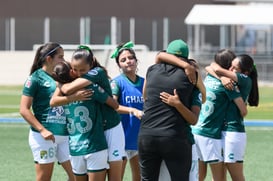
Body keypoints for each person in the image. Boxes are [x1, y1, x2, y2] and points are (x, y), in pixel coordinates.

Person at [55, 45, 126, 181]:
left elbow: (69, 88)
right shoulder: (73, 77)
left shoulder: (97, 72)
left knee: (114, 177)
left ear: (91, 64)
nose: (79, 73)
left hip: (111, 127)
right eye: (75, 69)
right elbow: (53, 101)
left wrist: (59, 83)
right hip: (94, 132)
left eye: (82, 69)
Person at [138, 39, 200, 181]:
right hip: (174, 138)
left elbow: (145, 96)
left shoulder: (152, 70)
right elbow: (194, 119)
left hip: (146, 136)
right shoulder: (191, 75)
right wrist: (178, 104)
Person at [19, 42, 74, 181]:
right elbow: (24, 109)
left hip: (66, 135)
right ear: (49, 59)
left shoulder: (63, 76)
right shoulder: (35, 78)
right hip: (44, 137)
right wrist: (42, 130)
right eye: (60, 57)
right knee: (44, 178)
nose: (64, 60)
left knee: (78, 176)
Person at [191, 49, 248, 181]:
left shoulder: (209, 76)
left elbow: (210, 66)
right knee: (219, 177)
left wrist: (221, 75)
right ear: (229, 66)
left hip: (195, 129)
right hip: (209, 134)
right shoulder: (228, 85)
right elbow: (243, 110)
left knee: (198, 176)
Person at [153, 48, 206, 181]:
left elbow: (194, 119)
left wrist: (178, 104)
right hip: (161, 141)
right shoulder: (158, 82)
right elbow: (159, 55)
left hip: (183, 140)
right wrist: (185, 65)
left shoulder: (194, 92)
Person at [206, 54, 259, 181]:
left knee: (236, 177)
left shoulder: (245, 79)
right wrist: (222, 78)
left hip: (233, 133)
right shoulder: (232, 80)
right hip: (220, 132)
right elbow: (210, 66)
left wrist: (221, 76)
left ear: (245, 72)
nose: (230, 69)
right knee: (219, 176)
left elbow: (215, 68)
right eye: (230, 66)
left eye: (234, 68)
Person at [110, 41, 144, 181]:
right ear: (119, 65)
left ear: (136, 60)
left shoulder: (145, 82)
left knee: (140, 177)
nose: (128, 61)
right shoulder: (117, 83)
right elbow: (113, 105)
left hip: (140, 138)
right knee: (117, 178)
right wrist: (132, 110)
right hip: (121, 139)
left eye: (130, 58)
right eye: (123, 60)